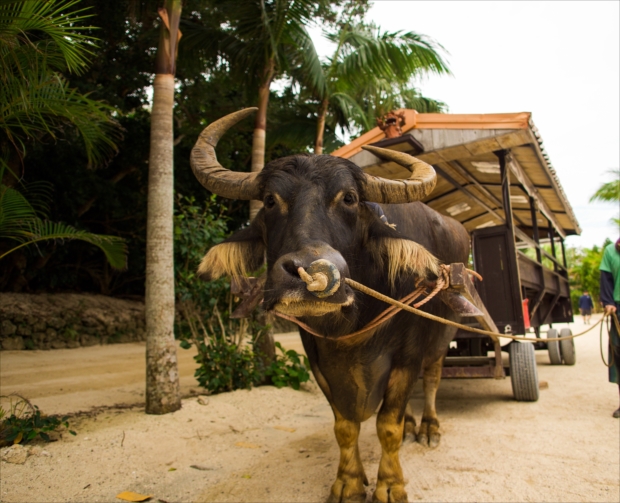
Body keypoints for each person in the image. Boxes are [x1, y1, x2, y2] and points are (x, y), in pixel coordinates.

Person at [600, 238, 620, 418]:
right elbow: (606, 279)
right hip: (618, 308)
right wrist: (608, 302)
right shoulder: (610, 251)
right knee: (618, 353)